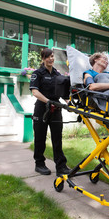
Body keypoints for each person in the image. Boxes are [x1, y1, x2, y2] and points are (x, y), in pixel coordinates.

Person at [29, 48, 70, 176]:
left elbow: (62, 91)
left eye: (52, 56)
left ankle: (61, 166)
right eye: (48, 57)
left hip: (56, 109)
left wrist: (68, 101)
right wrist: (48, 101)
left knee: (57, 138)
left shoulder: (57, 74)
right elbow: (35, 91)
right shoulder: (38, 73)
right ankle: (39, 164)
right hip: (42, 109)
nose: (51, 59)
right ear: (43, 59)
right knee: (40, 137)